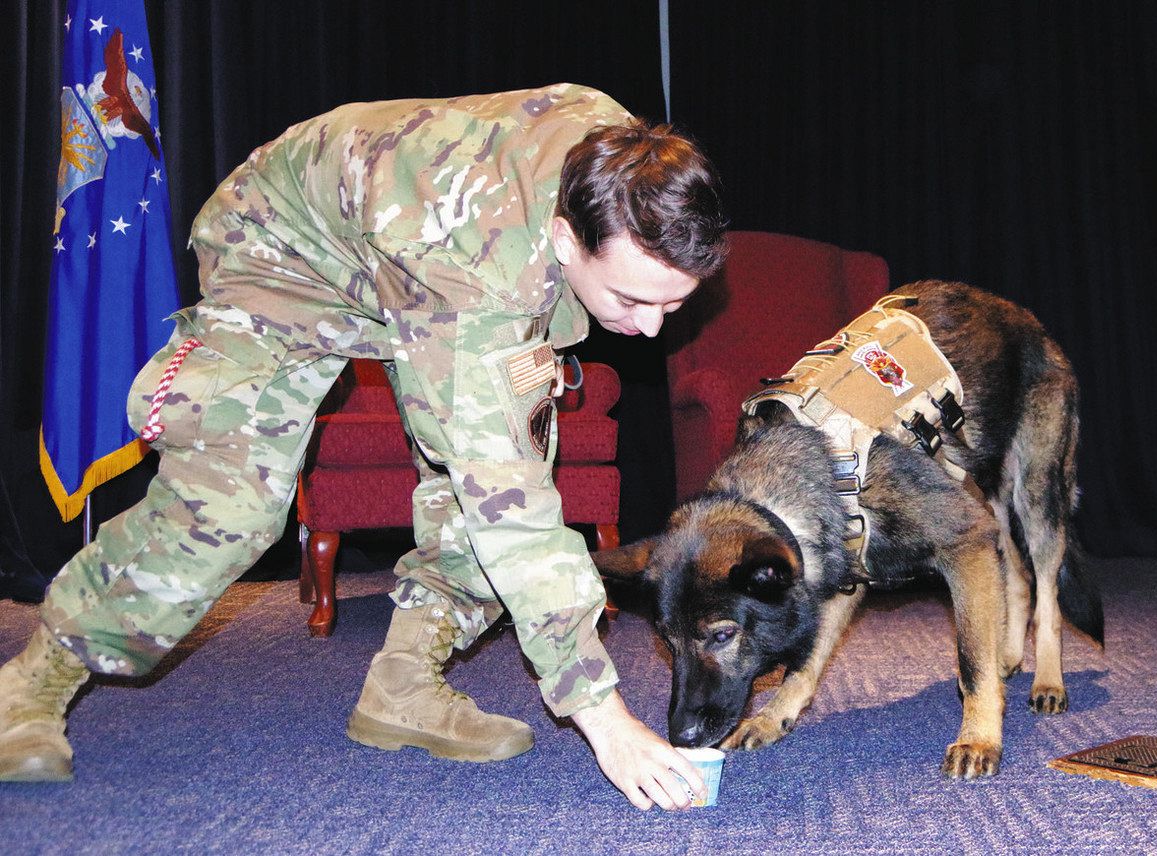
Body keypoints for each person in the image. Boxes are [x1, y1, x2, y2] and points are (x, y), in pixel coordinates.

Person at [0, 83, 727, 811]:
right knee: (232, 511)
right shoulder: (477, 269)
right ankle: (33, 681)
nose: (652, 329)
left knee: (483, 491)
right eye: (631, 300)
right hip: (283, 251)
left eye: (673, 302)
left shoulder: (628, 164)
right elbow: (510, 507)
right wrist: (606, 719)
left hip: (411, 249)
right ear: (567, 240)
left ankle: (404, 687)